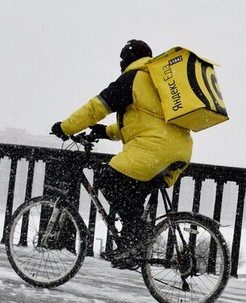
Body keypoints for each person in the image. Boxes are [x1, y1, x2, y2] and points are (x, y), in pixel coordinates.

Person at [50, 39, 193, 268]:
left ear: (128, 58)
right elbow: (143, 122)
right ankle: (134, 241)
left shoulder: (133, 78)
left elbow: (97, 107)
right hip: (179, 150)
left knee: (110, 179)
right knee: (132, 193)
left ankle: (136, 239)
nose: (119, 63)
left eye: (121, 59)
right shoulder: (159, 80)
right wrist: (105, 132)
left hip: (154, 150)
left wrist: (65, 127)